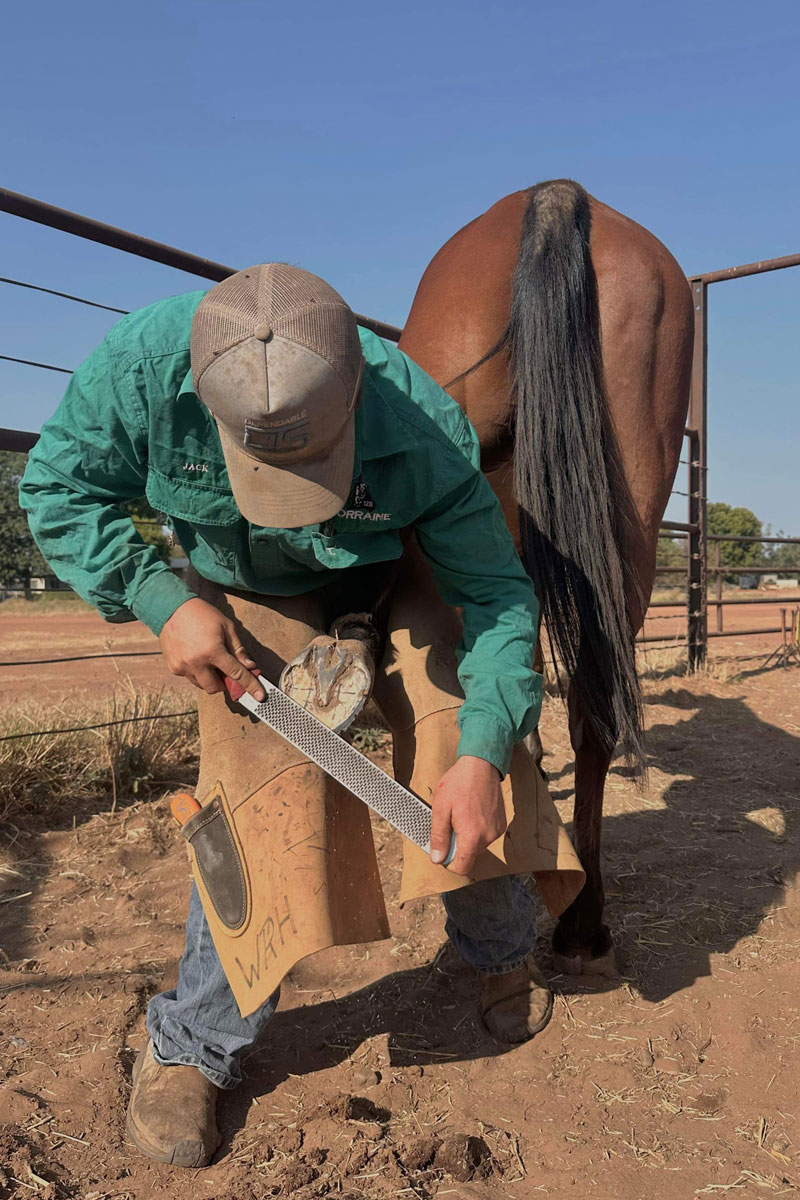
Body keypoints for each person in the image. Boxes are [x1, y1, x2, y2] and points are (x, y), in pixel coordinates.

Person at [19, 264, 583, 1168]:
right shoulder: (137, 369)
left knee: (458, 730)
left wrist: (482, 750)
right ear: (199, 395)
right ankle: (194, 1046)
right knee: (257, 780)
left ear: (360, 386)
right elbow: (57, 491)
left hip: (391, 575)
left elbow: (501, 600)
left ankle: (503, 945)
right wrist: (161, 598)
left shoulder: (422, 427)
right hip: (239, 588)